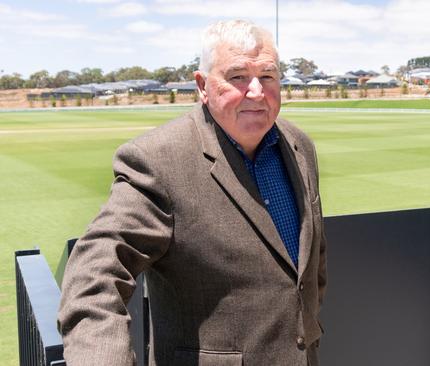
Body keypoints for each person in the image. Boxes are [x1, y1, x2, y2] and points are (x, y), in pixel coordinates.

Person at [58, 20, 327, 366]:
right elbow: (93, 278)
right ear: (202, 86)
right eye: (238, 77)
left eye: (268, 76)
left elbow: (311, 264)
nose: (257, 92)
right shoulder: (158, 160)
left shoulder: (299, 145)